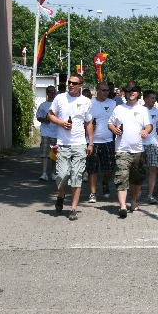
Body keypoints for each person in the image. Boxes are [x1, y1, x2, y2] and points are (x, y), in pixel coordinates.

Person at [47, 74, 94, 221]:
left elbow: (88, 122)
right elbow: (50, 115)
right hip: (63, 143)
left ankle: (73, 208)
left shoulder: (86, 101)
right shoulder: (60, 98)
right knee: (62, 175)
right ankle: (61, 195)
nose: (71, 85)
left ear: (80, 85)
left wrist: (90, 143)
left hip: (79, 144)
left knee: (76, 177)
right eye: (69, 82)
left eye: (74, 83)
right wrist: (61, 123)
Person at [107, 81, 152, 218]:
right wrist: (114, 129)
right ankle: (122, 206)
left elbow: (149, 125)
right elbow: (110, 123)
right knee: (121, 177)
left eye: (134, 90)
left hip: (138, 150)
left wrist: (146, 131)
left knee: (137, 178)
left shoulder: (143, 110)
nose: (131, 93)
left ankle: (133, 201)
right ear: (125, 94)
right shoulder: (119, 108)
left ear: (138, 93)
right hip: (122, 149)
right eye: (129, 91)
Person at [86, 82, 117, 203]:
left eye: (108, 90)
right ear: (97, 90)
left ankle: (105, 183)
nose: (106, 92)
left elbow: (117, 120)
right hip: (92, 141)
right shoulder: (90, 103)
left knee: (109, 168)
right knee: (92, 169)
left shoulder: (112, 103)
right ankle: (92, 193)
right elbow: (84, 121)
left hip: (108, 140)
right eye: (104, 90)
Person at [141, 90, 158, 204]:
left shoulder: (157, 112)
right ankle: (138, 190)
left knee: (153, 168)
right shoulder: (139, 111)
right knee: (139, 169)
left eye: (155, 98)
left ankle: (150, 195)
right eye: (152, 98)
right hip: (139, 144)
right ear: (146, 99)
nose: (154, 100)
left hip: (153, 143)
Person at [36, 85, 57, 181]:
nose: (51, 93)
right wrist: (45, 119)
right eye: (49, 91)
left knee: (54, 154)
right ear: (47, 93)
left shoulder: (58, 105)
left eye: (53, 91)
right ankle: (44, 173)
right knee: (44, 153)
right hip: (45, 132)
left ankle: (53, 173)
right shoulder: (43, 105)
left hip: (56, 132)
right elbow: (38, 117)